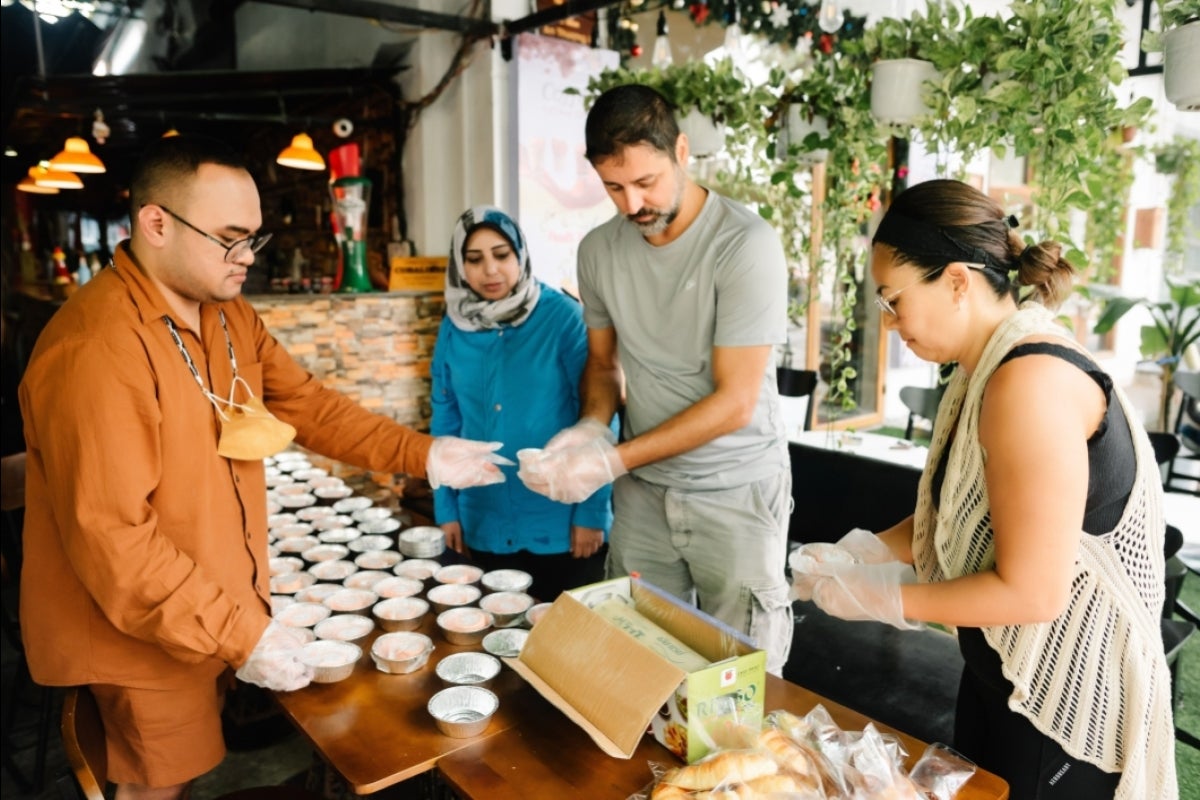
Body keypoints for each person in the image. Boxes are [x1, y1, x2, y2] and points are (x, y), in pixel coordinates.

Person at [17, 134, 508, 800]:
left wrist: (424, 453)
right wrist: (246, 635)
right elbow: (115, 541)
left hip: (204, 607)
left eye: (254, 238)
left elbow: (310, 406)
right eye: (229, 238)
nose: (247, 257)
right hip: (137, 633)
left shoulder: (227, 315)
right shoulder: (98, 347)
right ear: (156, 224)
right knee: (152, 788)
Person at [791, 179, 1176, 799]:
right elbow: (950, 520)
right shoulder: (985, 370)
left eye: (893, 301)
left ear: (957, 281)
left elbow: (1032, 591)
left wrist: (882, 597)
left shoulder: (1029, 383)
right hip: (1001, 675)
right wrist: (861, 552)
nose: (889, 325)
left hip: (1065, 699)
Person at [519, 84, 794, 675]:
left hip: (735, 490)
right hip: (644, 495)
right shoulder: (598, 251)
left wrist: (612, 460)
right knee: (636, 657)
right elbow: (602, 364)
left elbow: (735, 402)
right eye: (613, 187)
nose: (632, 203)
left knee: (740, 673)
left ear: (683, 151)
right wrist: (592, 427)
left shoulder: (743, 246)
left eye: (646, 181)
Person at [431, 205, 613, 600]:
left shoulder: (563, 318)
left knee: (563, 647)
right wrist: (446, 508)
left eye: (502, 255)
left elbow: (600, 417)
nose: (490, 270)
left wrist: (592, 512)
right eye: (474, 259)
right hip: (482, 516)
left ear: (520, 254)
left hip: (560, 520)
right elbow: (446, 420)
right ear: (459, 265)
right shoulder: (454, 325)